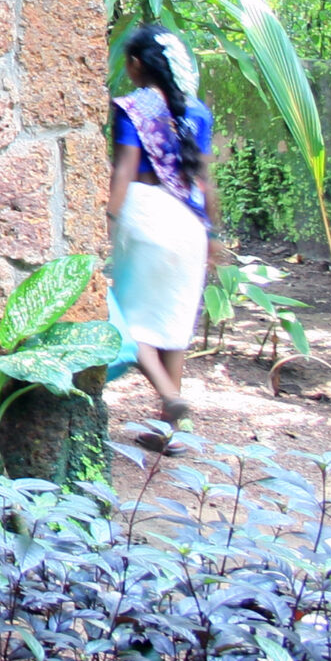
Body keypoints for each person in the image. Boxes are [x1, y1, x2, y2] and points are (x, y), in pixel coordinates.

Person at [105, 23, 220, 437]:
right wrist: (212, 235)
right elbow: (205, 181)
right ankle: (175, 430)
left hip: (144, 216)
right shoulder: (197, 111)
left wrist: (109, 221)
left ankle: (170, 397)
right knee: (174, 327)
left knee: (128, 321)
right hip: (189, 224)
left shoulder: (132, 108)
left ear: (136, 65)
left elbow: (123, 171)